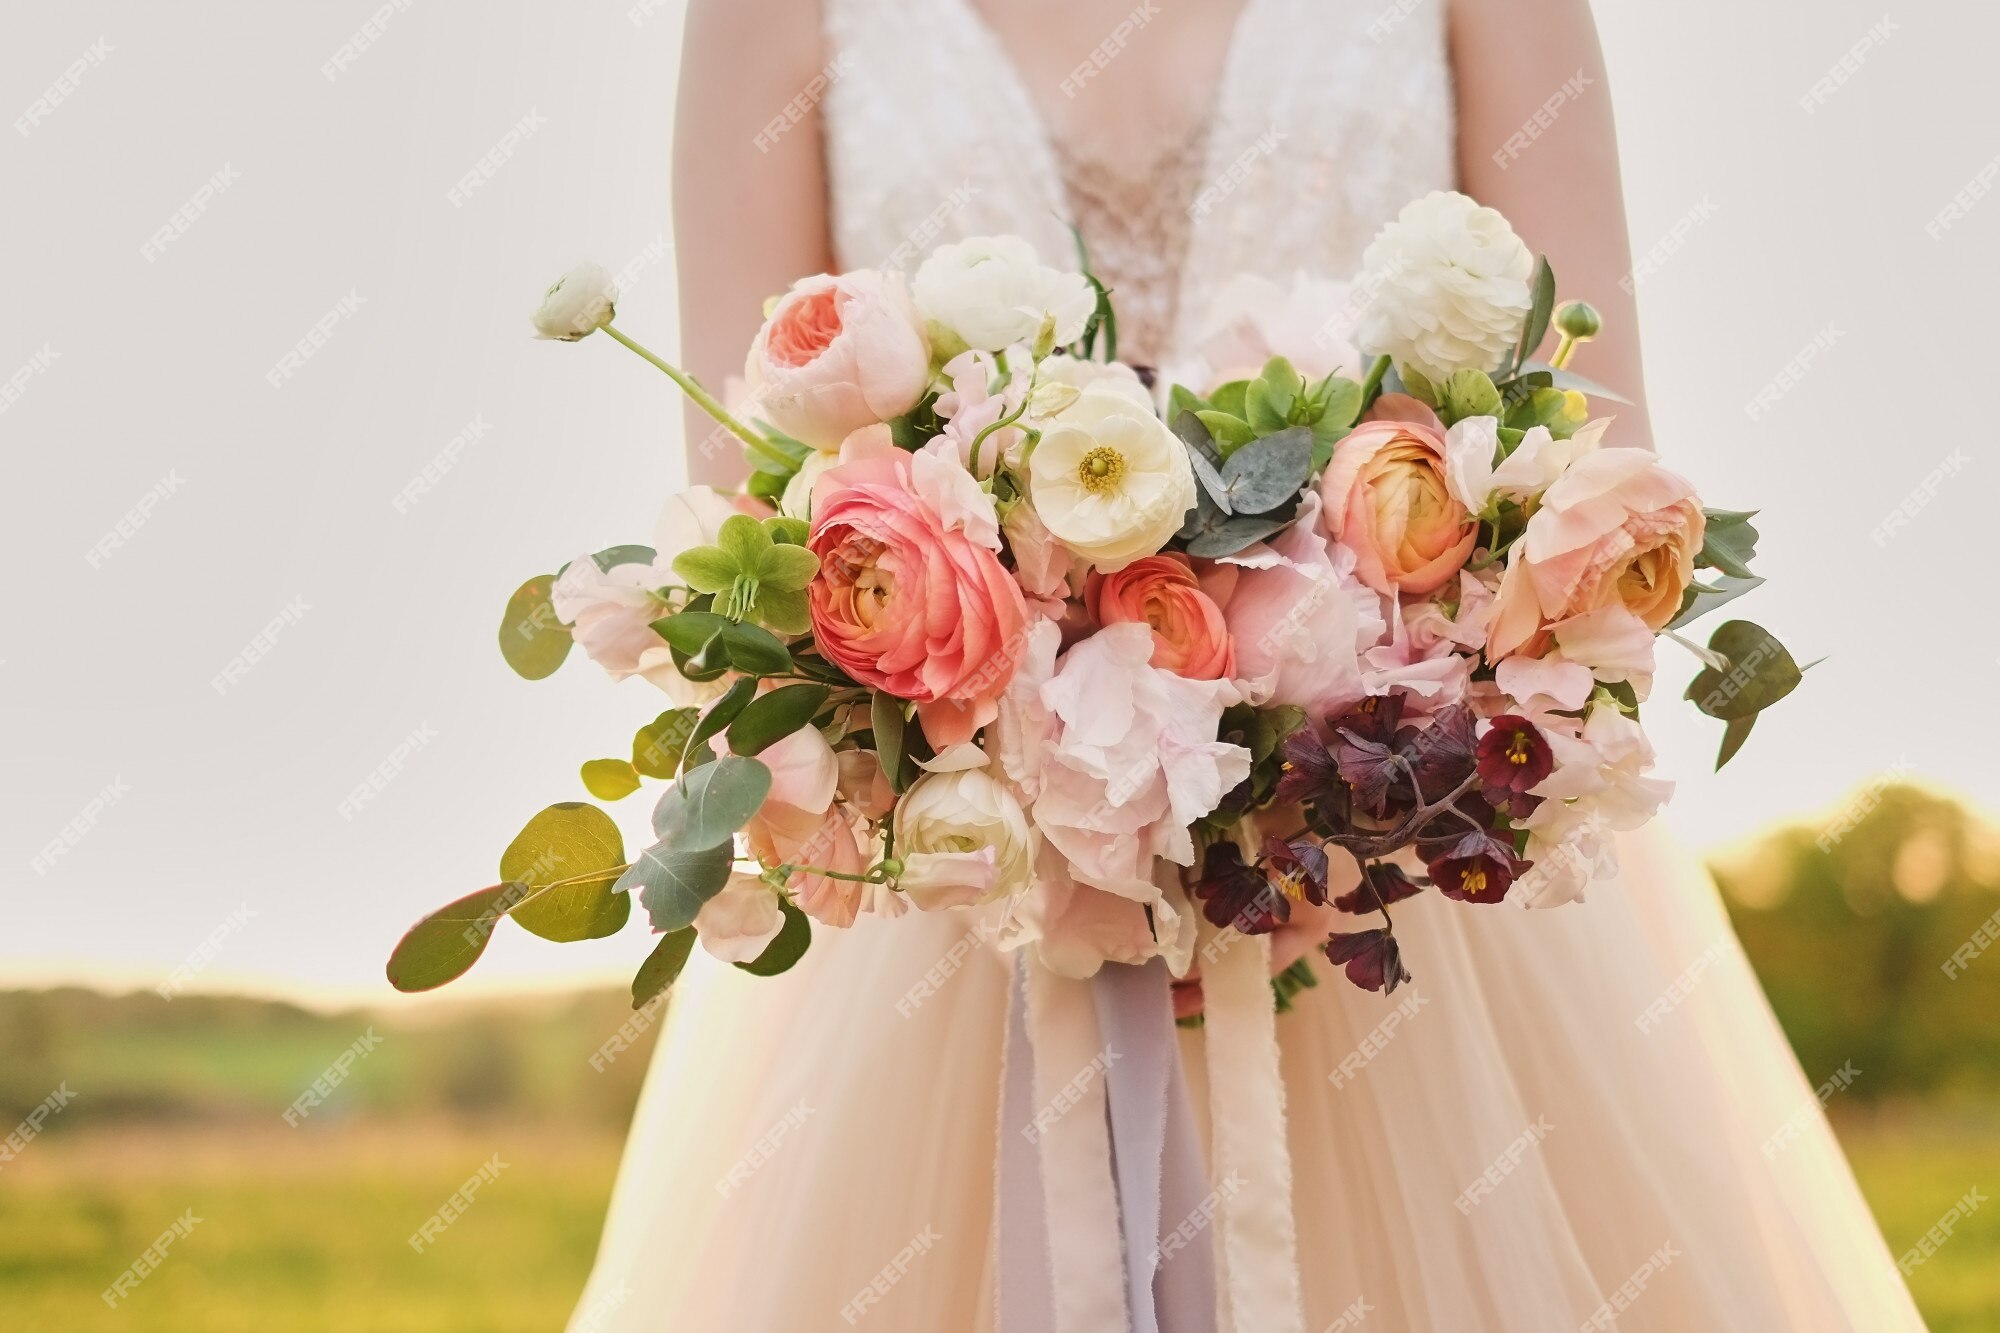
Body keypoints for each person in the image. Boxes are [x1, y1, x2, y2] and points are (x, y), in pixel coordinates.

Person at [570, 1, 1927, 1327]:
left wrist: (1328, 785)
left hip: (1423, 880)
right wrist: (1038, 792)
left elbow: (1601, 458)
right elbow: (750, 522)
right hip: (954, 900)